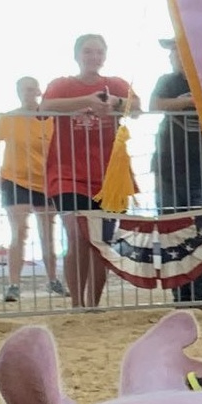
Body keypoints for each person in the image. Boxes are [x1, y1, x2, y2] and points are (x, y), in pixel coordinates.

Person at [41, 34, 141, 309]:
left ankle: (93, 304)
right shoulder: (61, 84)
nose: (93, 57)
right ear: (77, 55)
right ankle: (77, 304)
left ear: (105, 56)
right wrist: (87, 99)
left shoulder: (116, 84)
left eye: (98, 52)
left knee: (101, 241)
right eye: (88, 51)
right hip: (67, 172)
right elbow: (45, 107)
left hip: (108, 177)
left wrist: (115, 103)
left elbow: (138, 106)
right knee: (76, 235)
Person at [149, 37, 202, 305]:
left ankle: (201, 298)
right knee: (173, 235)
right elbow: (157, 104)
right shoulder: (168, 80)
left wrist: (190, 102)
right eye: (174, 52)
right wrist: (191, 103)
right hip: (169, 170)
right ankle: (181, 297)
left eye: (179, 50)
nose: (174, 56)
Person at [0, 76, 62, 303]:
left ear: (39, 91)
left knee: (48, 233)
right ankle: (14, 284)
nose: (29, 93)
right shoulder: (8, 119)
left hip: (45, 181)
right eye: (24, 89)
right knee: (19, 231)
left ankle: (53, 280)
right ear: (18, 92)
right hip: (15, 179)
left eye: (32, 89)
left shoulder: (50, 119)